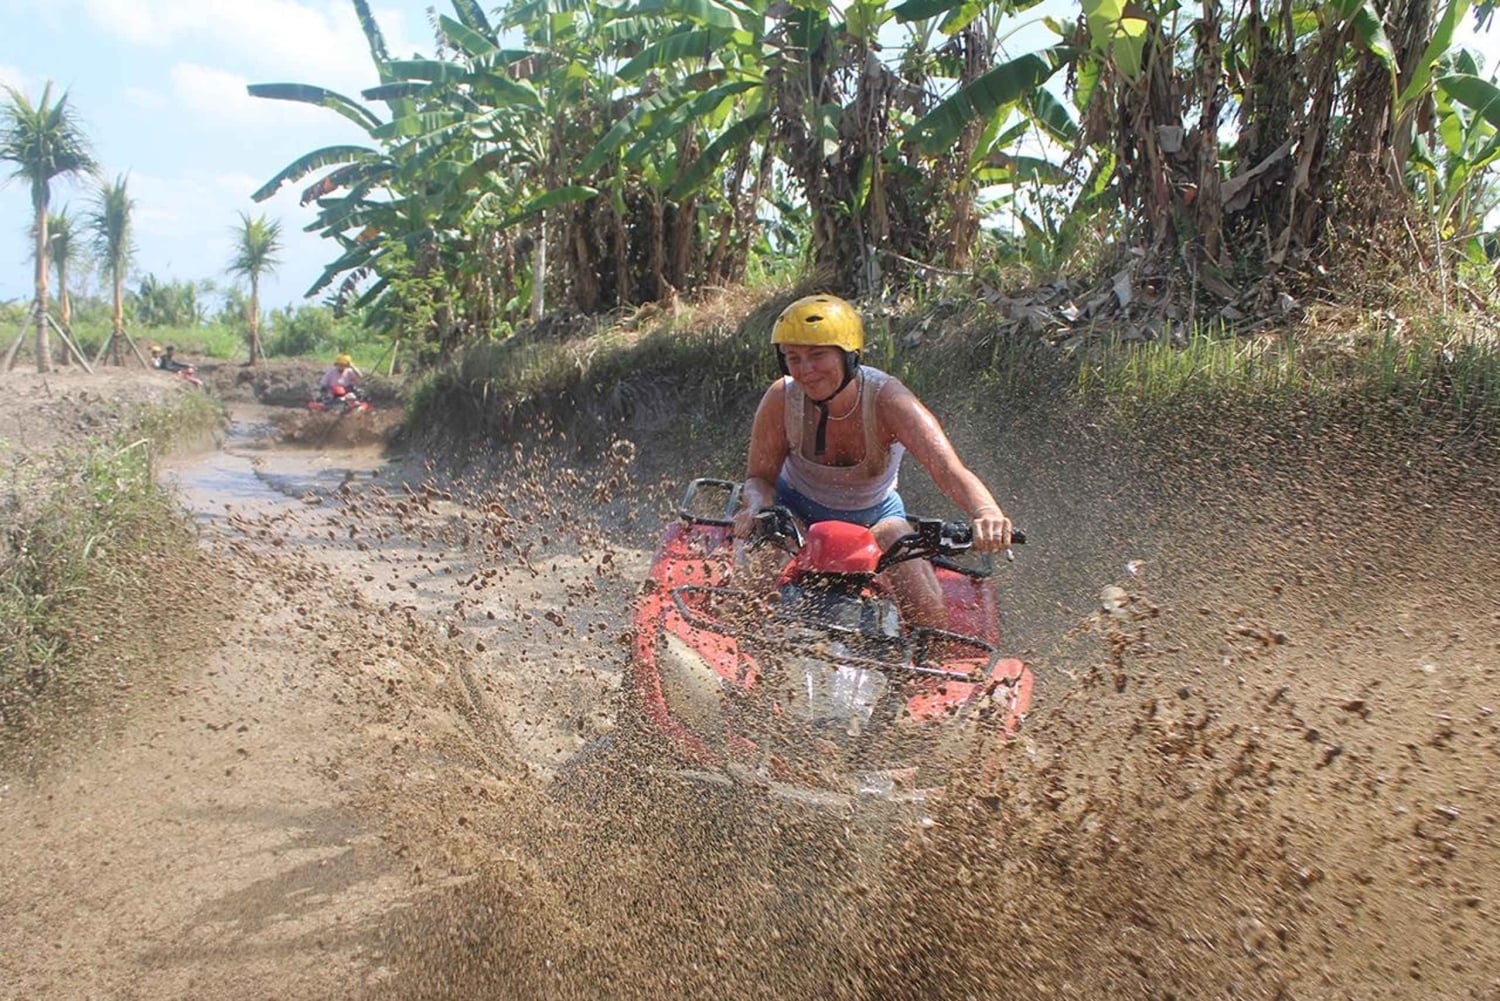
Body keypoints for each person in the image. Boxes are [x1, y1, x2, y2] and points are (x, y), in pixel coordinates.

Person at [731, 294, 1013, 628]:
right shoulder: (781, 397)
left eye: (818, 356)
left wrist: (986, 513)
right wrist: (757, 507)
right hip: (793, 509)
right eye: (794, 358)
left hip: (877, 515)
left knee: (928, 609)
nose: (806, 370)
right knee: (750, 584)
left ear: (849, 355)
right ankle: (736, 651)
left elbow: (948, 469)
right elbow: (760, 477)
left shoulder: (889, 400)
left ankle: (926, 672)